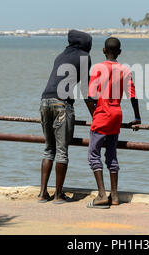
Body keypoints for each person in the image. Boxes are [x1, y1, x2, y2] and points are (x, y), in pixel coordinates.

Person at [38, 29, 95, 204]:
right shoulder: (84, 57)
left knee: (49, 149)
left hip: (44, 101)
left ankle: (42, 194)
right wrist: (95, 114)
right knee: (62, 152)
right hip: (62, 104)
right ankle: (58, 195)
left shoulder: (60, 56)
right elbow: (86, 90)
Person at [85, 37, 141, 209]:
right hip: (117, 115)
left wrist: (95, 114)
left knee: (94, 155)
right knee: (112, 156)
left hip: (102, 115)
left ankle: (101, 195)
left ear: (103, 50)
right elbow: (133, 96)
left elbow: (90, 97)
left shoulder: (98, 69)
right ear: (120, 52)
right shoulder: (125, 70)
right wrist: (137, 117)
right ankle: (114, 195)